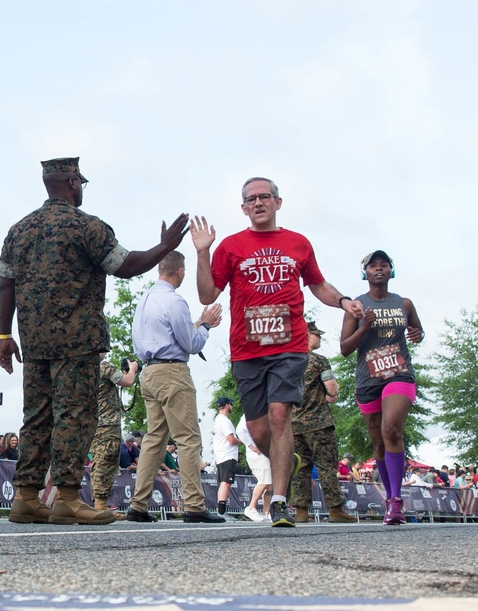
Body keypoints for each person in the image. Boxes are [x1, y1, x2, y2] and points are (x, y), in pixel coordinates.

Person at [0, 157, 188, 525]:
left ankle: (26, 497)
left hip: (33, 341)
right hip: (76, 340)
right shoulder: (87, 227)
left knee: (35, 417)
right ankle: (67, 498)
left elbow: (5, 285)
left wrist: (5, 335)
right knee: (74, 415)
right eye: (80, 183)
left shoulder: (18, 230)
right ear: (71, 182)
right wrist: (164, 247)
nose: (81, 188)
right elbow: (127, 265)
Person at [191, 178, 364, 528]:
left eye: (264, 197)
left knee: (280, 414)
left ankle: (281, 503)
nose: (258, 203)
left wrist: (344, 301)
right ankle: (287, 462)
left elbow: (318, 283)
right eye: (250, 199)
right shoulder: (231, 246)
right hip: (246, 350)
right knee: (257, 430)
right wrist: (203, 252)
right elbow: (208, 295)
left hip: (289, 346)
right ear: (243, 208)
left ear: (277, 202)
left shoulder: (298, 243)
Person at [124, 249, 223, 524]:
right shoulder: (174, 300)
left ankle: (138, 505)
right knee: (188, 440)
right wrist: (205, 326)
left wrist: (197, 326)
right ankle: (194, 505)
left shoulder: (144, 300)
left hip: (150, 371)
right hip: (172, 372)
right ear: (180, 272)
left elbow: (163, 336)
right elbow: (191, 344)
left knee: (154, 440)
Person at [340, 249, 423, 527]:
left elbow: (417, 332)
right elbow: (344, 349)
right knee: (378, 443)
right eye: (373, 266)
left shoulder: (405, 303)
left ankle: (397, 501)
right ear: (364, 273)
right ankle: (389, 498)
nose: (379, 269)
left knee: (391, 429)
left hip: (399, 375)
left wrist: (417, 334)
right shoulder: (356, 306)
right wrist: (364, 328)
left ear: (391, 271)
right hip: (368, 380)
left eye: (384, 265)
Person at [290, 319, 347, 523]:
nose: (320, 337)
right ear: (307, 335)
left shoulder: (288, 360)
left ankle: (301, 511)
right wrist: (333, 390)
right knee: (326, 465)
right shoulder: (319, 361)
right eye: (317, 334)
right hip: (319, 423)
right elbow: (331, 388)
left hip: (294, 424)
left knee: (301, 468)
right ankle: (335, 509)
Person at [90, 357, 139, 516]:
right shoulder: (103, 366)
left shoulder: (84, 367)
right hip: (108, 423)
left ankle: (98, 503)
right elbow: (128, 381)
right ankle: (100, 505)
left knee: (98, 461)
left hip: (94, 423)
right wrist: (132, 369)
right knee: (107, 461)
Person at [237, 413, 271, 521]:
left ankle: (267, 512)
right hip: (257, 455)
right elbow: (239, 430)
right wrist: (250, 445)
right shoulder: (250, 413)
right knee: (264, 481)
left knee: (270, 484)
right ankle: (251, 507)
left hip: (266, 453)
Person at [211, 396, 240, 516]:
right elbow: (231, 440)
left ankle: (221, 511)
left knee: (224, 482)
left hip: (221, 455)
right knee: (226, 483)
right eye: (230, 404)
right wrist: (242, 441)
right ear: (227, 405)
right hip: (227, 455)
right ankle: (221, 512)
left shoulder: (218, 420)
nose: (231, 406)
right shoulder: (224, 421)